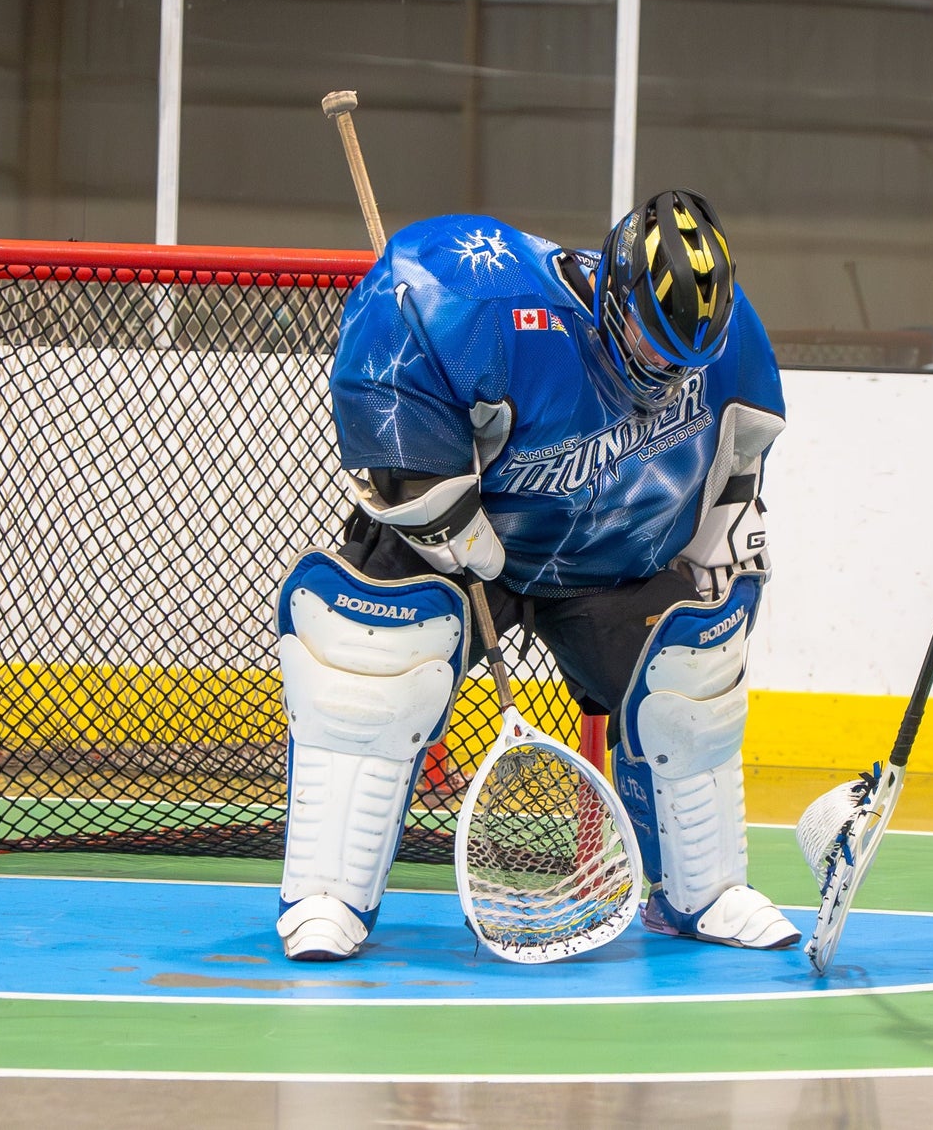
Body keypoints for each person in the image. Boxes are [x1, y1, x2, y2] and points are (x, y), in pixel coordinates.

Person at [272, 188, 799, 961]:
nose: (664, 373)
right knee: (366, 662)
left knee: (693, 679)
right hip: (466, 547)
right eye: (653, 346)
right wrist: (449, 522)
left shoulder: (729, 342)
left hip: (616, 562)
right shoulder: (480, 299)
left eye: (684, 361)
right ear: (613, 299)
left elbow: (736, 468)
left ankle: (704, 891)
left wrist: (717, 575)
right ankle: (326, 893)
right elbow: (388, 412)